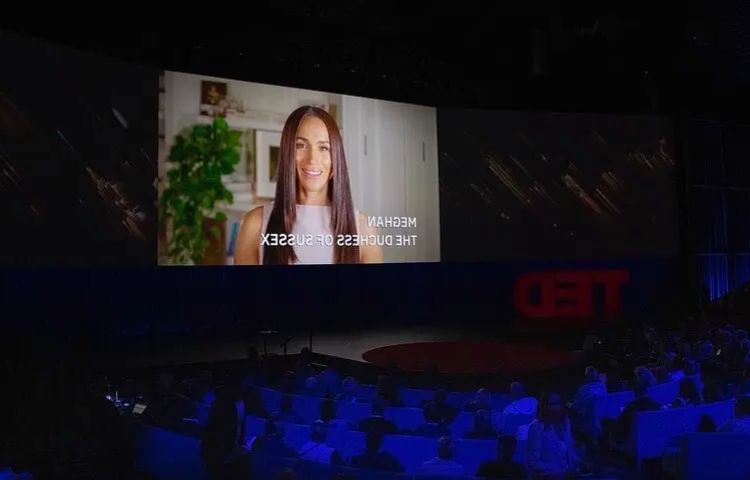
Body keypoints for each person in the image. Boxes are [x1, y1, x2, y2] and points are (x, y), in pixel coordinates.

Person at [235, 106, 383, 265]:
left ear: (336, 157)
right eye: (301, 145)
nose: (312, 159)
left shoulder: (363, 228)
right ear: (287, 153)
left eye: (324, 148)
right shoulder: (255, 224)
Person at [200, 384, 253, 480]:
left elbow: (240, 428)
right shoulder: (222, 406)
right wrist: (232, 452)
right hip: (219, 453)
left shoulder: (240, 405)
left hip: (228, 451)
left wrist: (240, 445)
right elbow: (217, 434)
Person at [526, 393, 581, 480]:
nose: (556, 407)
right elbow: (533, 462)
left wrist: (579, 463)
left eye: (558, 403)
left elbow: (568, 452)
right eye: (551, 404)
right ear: (544, 407)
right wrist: (560, 473)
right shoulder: (537, 427)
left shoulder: (566, 424)